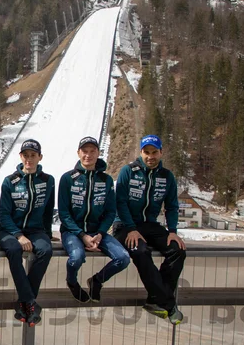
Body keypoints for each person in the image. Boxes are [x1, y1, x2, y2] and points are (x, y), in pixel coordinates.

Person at [114, 134, 187, 325]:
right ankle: (169, 305)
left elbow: (171, 206)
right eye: (147, 152)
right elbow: (120, 202)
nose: (150, 156)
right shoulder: (128, 171)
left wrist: (172, 230)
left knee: (177, 250)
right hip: (124, 225)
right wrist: (130, 228)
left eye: (154, 152)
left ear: (161, 152)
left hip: (150, 224)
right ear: (141, 153)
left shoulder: (167, 176)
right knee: (141, 251)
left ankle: (155, 300)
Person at [59, 136, 130, 304]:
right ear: (78, 153)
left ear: (98, 153)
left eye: (92, 151)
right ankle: (72, 281)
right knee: (76, 257)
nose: (88, 155)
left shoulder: (105, 180)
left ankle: (97, 280)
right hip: (72, 231)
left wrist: (100, 233)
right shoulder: (68, 178)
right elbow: (64, 212)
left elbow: (110, 211)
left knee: (124, 258)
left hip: (98, 231)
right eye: (84, 151)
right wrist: (82, 235)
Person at [0, 139, 54, 327]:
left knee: (46, 250)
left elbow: (48, 209)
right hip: (9, 230)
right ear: (20, 157)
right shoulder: (10, 181)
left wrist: (47, 232)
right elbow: (3, 214)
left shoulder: (47, 180)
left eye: (33, 155)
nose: (29, 159)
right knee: (14, 250)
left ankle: (25, 302)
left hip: (36, 230)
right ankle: (29, 302)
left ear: (40, 157)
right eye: (25, 155)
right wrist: (18, 235)